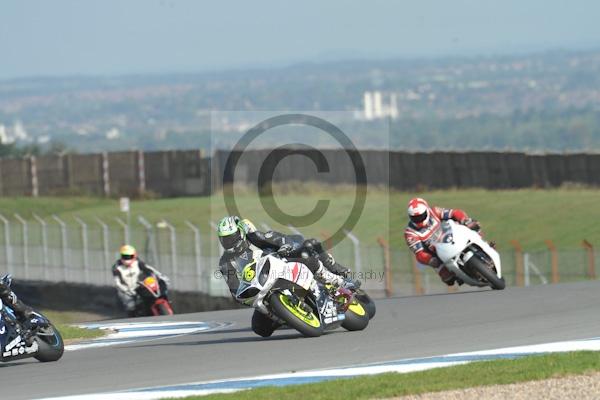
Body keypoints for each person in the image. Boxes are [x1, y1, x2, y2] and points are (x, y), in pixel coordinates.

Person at [216, 216, 358, 337]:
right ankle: (286, 317)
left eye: (231, 237)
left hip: (283, 266)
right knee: (260, 329)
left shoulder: (254, 237)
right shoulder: (225, 263)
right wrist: (244, 297)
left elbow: (281, 239)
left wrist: (284, 247)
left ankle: (336, 280)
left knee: (307, 252)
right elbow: (234, 289)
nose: (229, 242)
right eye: (224, 239)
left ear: (240, 233)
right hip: (263, 287)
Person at [404, 197, 485, 286]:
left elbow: (454, 213)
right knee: (448, 279)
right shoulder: (410, 233)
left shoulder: (434, 211)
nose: (419, 220)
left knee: (473, 226)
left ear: (427, 210)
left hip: (451, 236)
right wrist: (430, 260)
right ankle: (458, 274)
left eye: (421, 216)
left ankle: (484, 245)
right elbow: (419, 253)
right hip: (437, 254)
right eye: (415, 218)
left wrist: (464, 220)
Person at [112, 245, 170, 316]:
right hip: (126, 290)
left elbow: (151, 270)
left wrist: (161, 276)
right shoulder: (117, 267)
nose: (127, 258)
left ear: (134, 255)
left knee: (156, 290)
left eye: (129, 256)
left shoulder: (138, 263)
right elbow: (118, 282)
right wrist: (126, 290)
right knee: (131, 306)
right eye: (125, 256)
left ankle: (163, 304)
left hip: (139, 286)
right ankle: (133, 318)